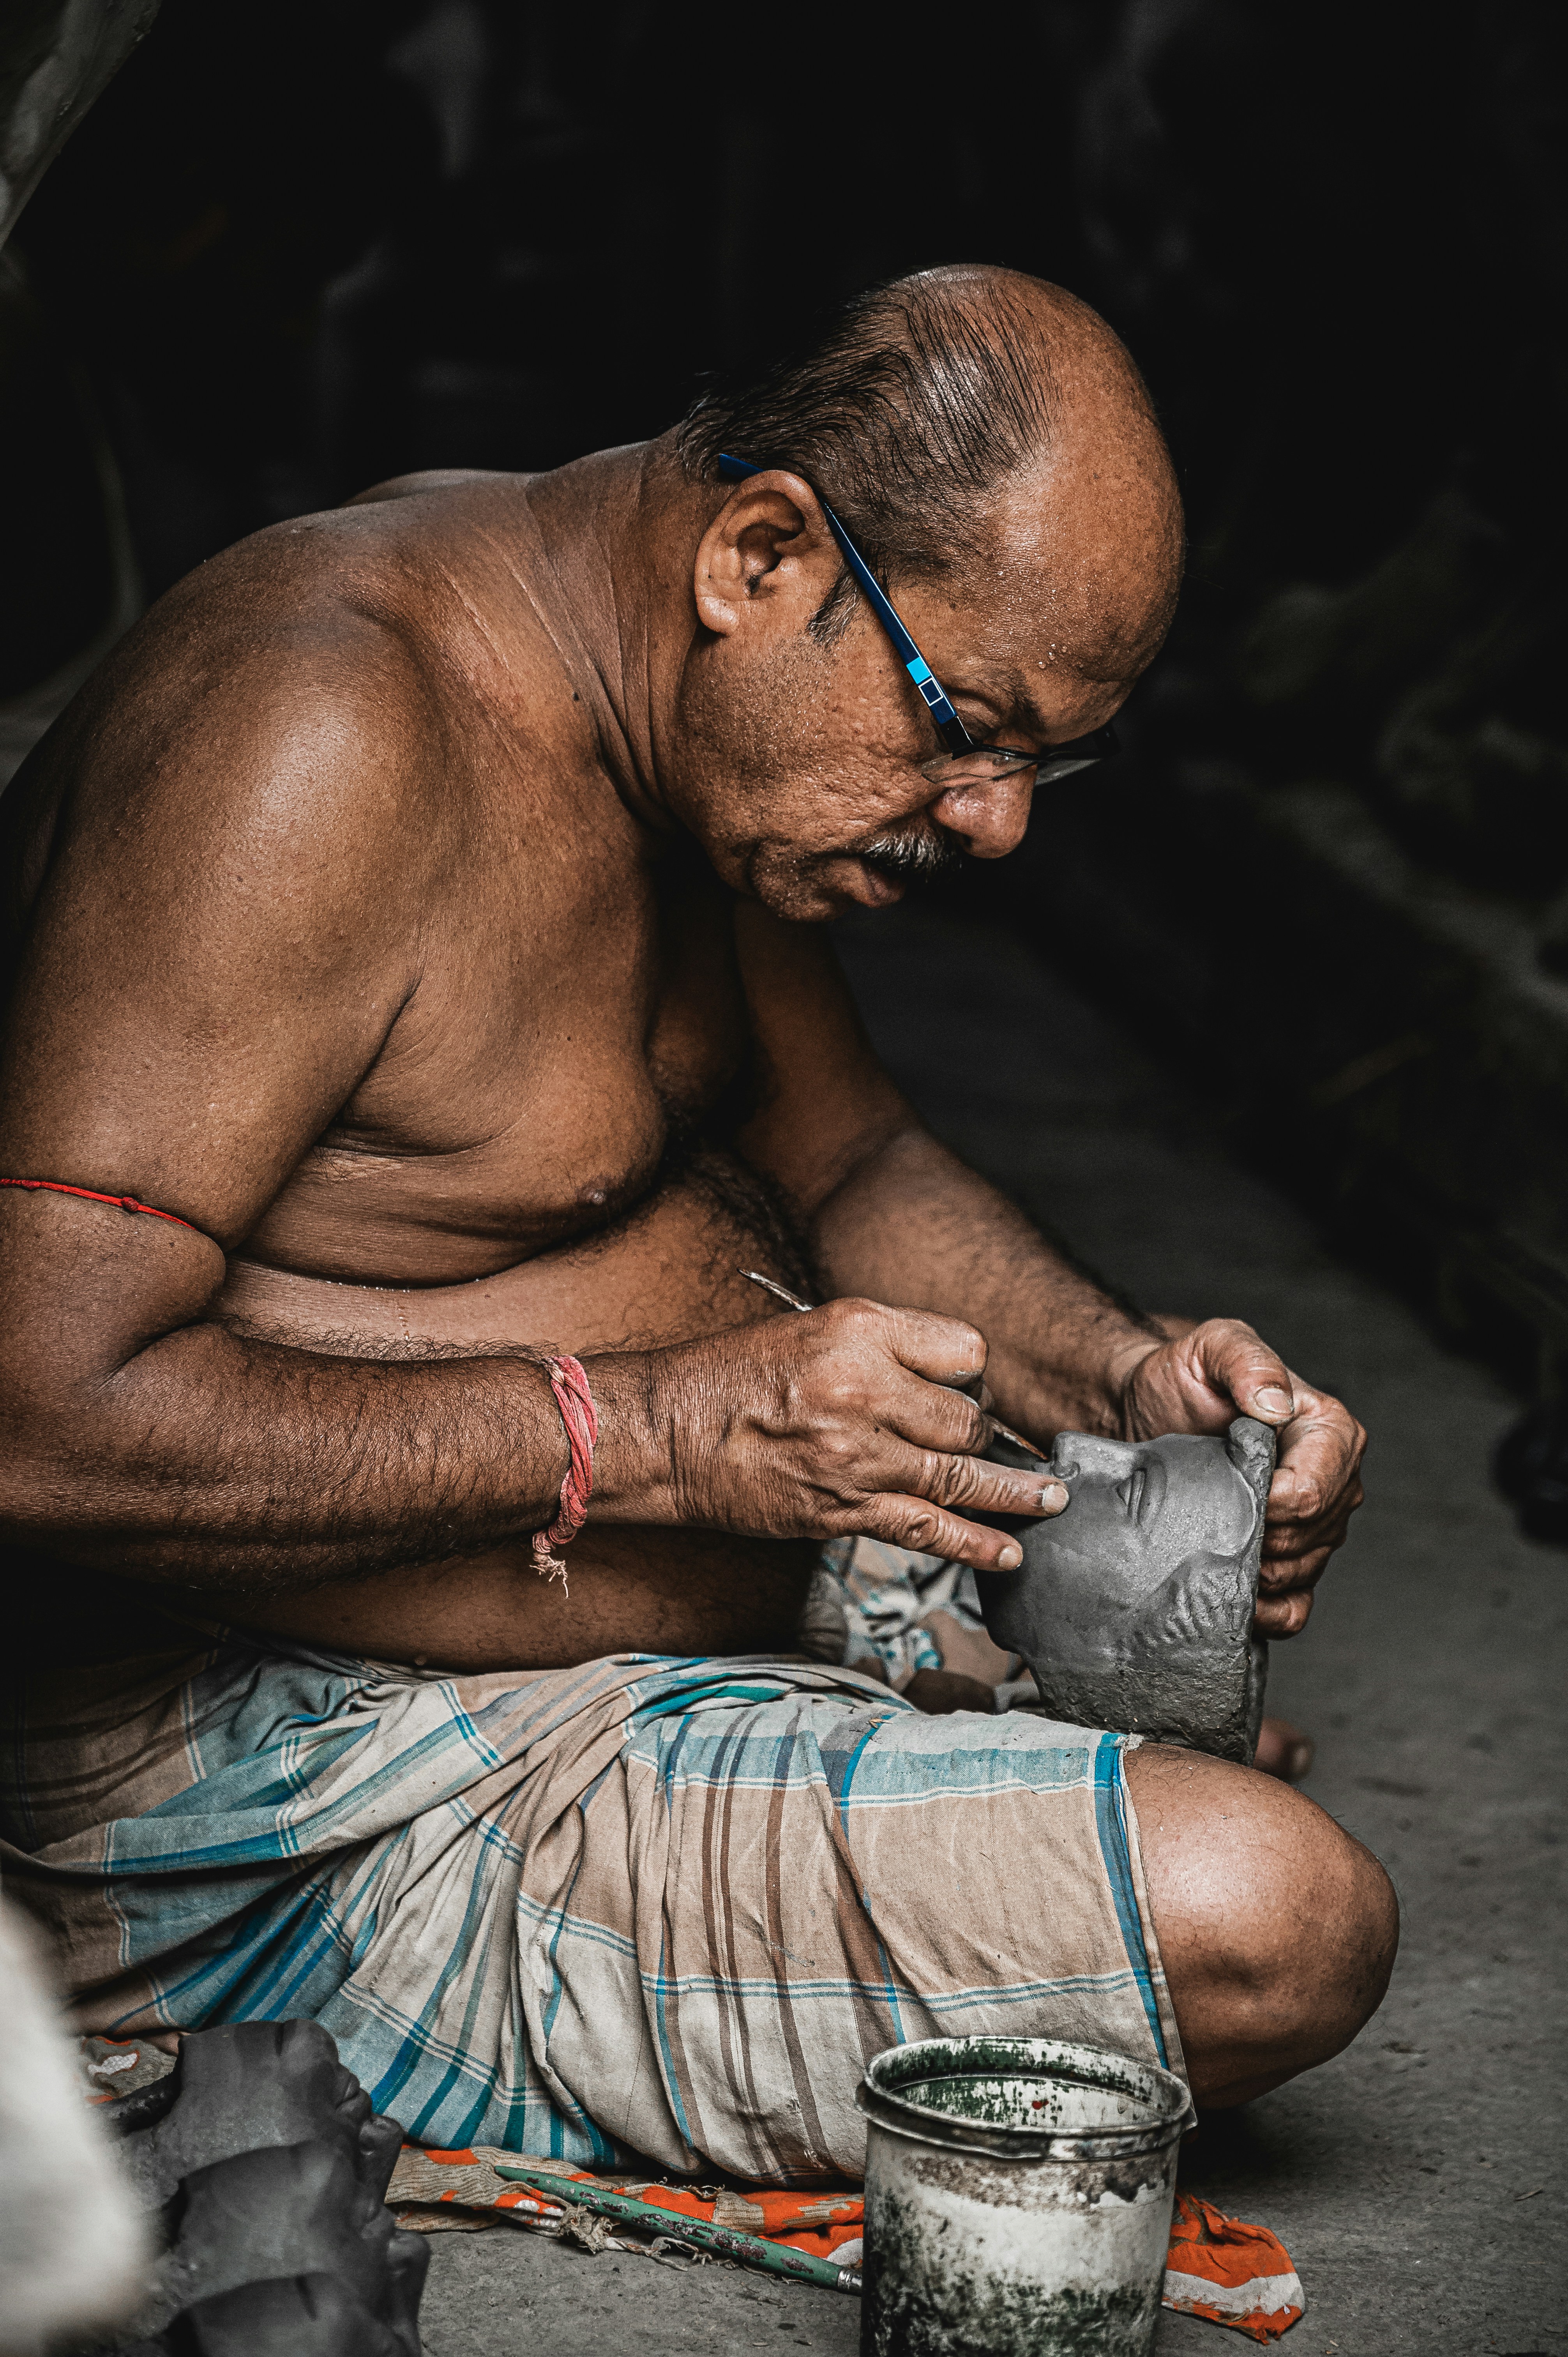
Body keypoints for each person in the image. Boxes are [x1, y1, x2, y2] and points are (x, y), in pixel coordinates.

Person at [0, 266, 1393, 2174]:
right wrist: (663, 1432)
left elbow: (847, 1170)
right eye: (963, 725)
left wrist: (1130, 1374)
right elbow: (26, 1406)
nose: (994, 825)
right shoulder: (320, 731)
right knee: (1268, 1921)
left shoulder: (680, 725)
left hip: (541, 1661)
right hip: (269, 1778)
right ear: (759, 553)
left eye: (1044, 762)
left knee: (1167, 1681)